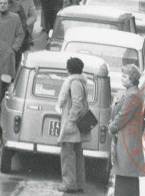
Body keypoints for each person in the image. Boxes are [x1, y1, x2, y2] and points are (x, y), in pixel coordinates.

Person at [109, 65, 145, 196]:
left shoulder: (132, 95)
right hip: (128, 139)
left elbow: (123, 116)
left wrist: (112, 127)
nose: (122, 78)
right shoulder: (131, 92)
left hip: (127, 141)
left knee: (125, 175)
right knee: (127, 175)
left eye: (125, 76)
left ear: (132, 79)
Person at [56, 57, 91, 194]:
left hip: (72, 124)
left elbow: (77, 104)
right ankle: (79, 184)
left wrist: (70, 121)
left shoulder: (74, 82)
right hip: (77, 124)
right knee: (76, 154)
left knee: (67, 155)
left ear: (69, 69)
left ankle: (69, 184)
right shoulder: (81, 81)